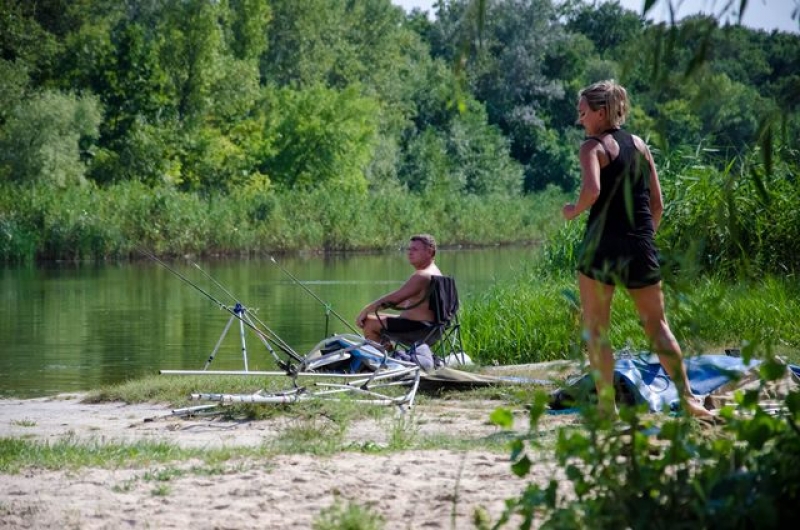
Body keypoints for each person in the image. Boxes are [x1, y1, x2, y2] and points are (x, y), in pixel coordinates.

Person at [562, 80, 712, 418]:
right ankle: (688, 399)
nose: (580, 119)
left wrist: (573, 210)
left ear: (601, 112)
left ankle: (606, 408)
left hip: (600, 248)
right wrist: (642, 239)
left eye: (583, 112)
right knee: (658, 327)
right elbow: (657, 204)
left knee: (597, 330)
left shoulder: (591, 147)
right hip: (640, 246)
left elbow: (592, 191)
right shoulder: (641, 145)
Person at [356, 234, 442, 346]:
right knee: (375, 317)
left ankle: (385, 359)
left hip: (419, 330)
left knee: (368, 322)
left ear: (429, 252)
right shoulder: (436, 273)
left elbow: (394, 299)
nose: (410, 253)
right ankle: (389, 354)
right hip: (431, 329)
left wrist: (365, 310)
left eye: (415, 249)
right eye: (409, 249)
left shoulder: (422, 275)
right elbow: (416, 302)